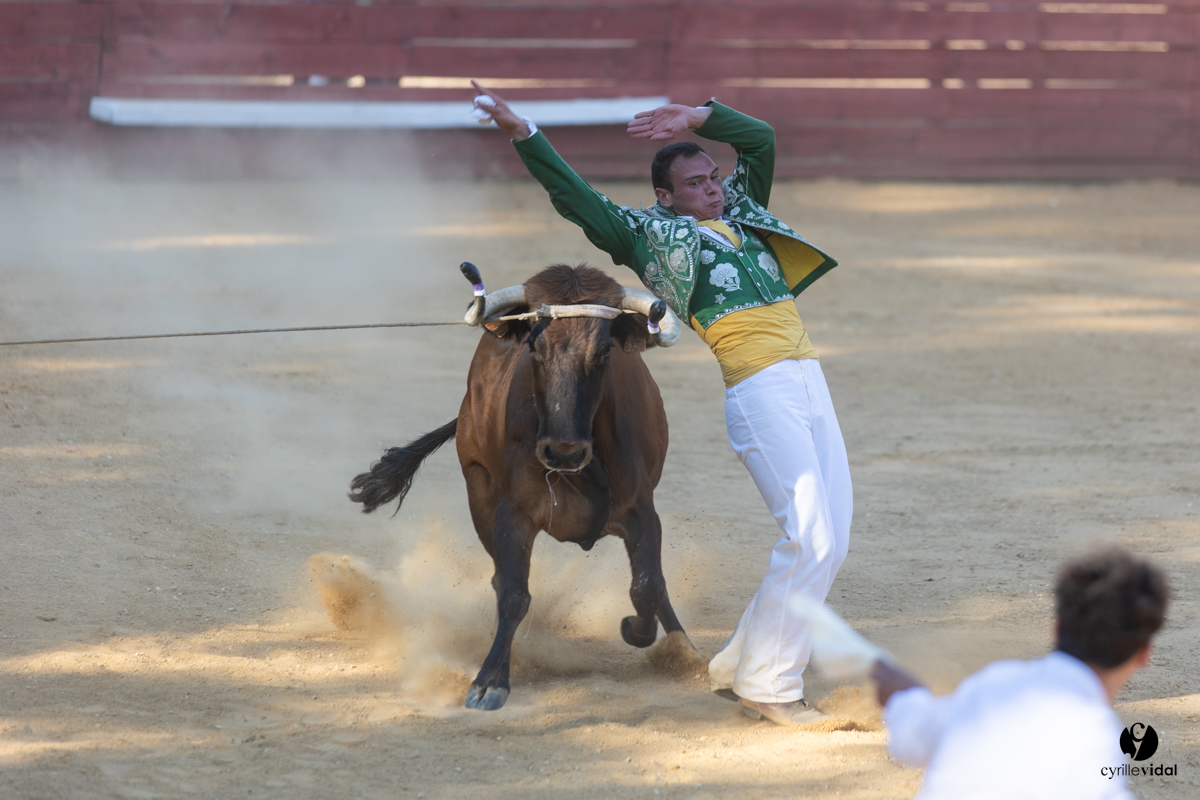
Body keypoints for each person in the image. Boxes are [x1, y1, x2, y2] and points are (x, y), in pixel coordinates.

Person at [471, 82, 852, 726]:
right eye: (696, 183)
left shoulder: (745, 210)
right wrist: (521, 130)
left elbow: (760, 140)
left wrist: (700, 117)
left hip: (809, 378)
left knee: (829, 540)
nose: (714, 187)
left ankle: (742, 663)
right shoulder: (649, 238)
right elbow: (577, 199)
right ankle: (771, 686)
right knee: (809, 535)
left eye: (714, 176)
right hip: (759, 386)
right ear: (665, 198)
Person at [871, 546, 1169, 800]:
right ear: (1144, 653)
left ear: (1056, 627)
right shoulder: (1094, 735)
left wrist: (904, 694)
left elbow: (911, 738)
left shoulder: (993, 684)